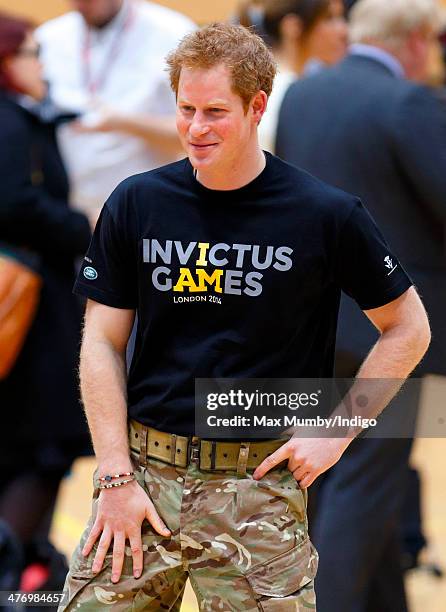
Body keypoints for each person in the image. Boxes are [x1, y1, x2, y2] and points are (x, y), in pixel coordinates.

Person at [60, 22, 430, 611]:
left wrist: (337, 430)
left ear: (257, 106)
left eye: (215, 111)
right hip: (139, 485)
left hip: (257, 493)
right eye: (185, 110)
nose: (196, 129)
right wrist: (114, 476)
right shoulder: (137, 201)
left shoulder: (326, 214)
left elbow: (409, 327)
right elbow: (101, 341)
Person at [276, 0, 446, 610]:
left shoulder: (305, 95)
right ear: (418, 41)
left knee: (335, 477)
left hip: (316, 320)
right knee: (367, 485)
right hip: (395, 331)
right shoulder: (410, 103)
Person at [0, 11, 92, 593]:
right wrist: (82, 224)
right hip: (28, 315)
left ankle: (21, 576)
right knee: (40, 451)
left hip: (30, 311)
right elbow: (12, 205)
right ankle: (12, 581)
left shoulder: (23, 118)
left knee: (26, 451)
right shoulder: (10, 122)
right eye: (32, 52)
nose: (43, 64)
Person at [37, 0, 195, 226]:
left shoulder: (173, 33)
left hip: (148, 210)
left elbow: (195, 132)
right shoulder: (49, 37)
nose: (84, 5)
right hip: (74, 214)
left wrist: (123, 123)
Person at [236, 0, 348, 152]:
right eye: (329, 19)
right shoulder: (280, 92)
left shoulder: (300, 85)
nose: (343, 31)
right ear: (293, 27)